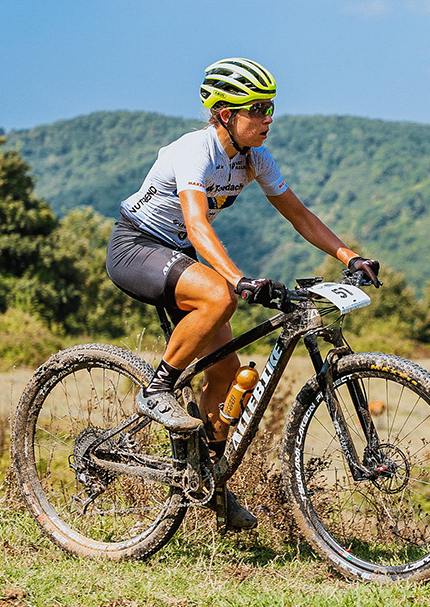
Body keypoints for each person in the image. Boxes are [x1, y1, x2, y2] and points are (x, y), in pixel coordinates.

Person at [105, 57, 380, 529]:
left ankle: (207, 483)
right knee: (220, 295)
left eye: (270, 106)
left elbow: (300, 215)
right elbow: (195, 222)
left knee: (226, 375)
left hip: (181, 254)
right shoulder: (195, 150)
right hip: (138, 246)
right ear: (224, 114)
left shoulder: (255, 160)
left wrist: (349, 257)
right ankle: (157, 389)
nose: (268, 117)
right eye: (256, 108)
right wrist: (235, 277)